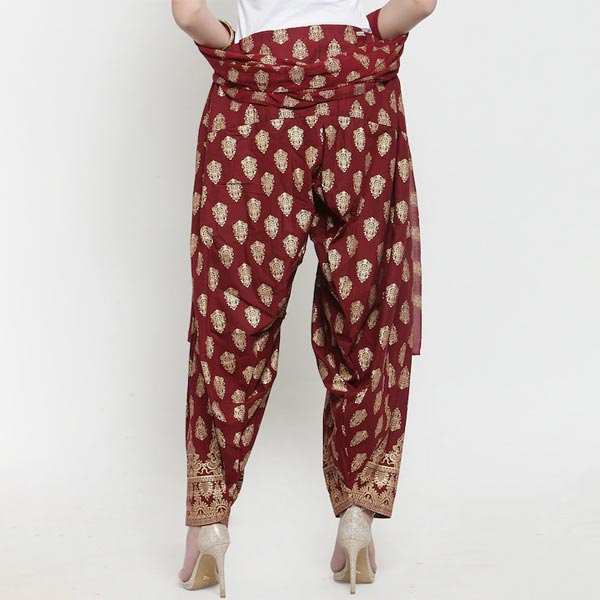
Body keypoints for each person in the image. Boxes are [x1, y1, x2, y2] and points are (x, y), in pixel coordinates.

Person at [171, 0, 436, 594]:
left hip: (251, 107)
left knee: (231, 316)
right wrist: (367, 37)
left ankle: (210, 526)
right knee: (366, 311)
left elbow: (188, 15)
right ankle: (357, 523)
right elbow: (421, 2)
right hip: (360, 102)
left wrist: (237, 51)